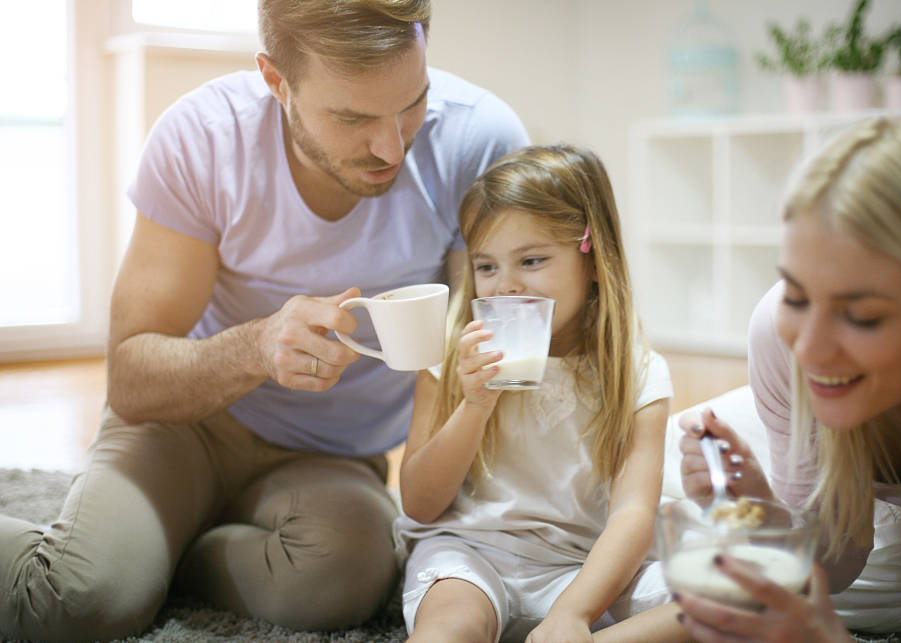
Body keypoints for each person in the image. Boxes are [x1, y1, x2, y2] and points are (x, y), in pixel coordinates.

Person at [0, 1, 530, 640]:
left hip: (332, 452)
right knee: (83, 599)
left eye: (412, 102)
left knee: (346, 579)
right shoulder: (203, 139)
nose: (392, 146)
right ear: (276, 81)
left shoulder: (479, 141)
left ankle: (166, 554)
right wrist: (256, 347)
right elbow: (132, 379)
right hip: (184, 427)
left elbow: (500, 334)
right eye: (353, 117)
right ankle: (130, 559)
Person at [675, 115, 901, 641]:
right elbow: (838, 564)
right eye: (796, 295)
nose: (809, 349)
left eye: (861, 316)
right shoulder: (778, 336)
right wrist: (763, 512)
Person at [393, 144, 686, 642]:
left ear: (593, 259)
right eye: (486, 267)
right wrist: (475, 405)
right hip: (471, 553)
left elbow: (633, 514)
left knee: (734, 599)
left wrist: (573, 612)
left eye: (530, 260)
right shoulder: (450, 358)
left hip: (588, 566)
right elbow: (420, 503)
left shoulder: (637, 372)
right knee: (449, 628)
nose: (506, 286)